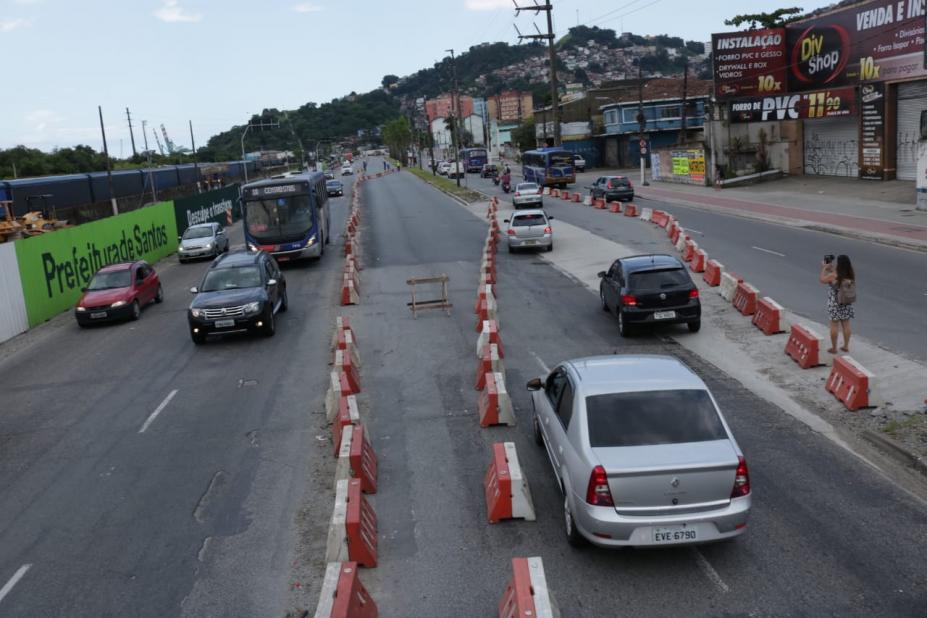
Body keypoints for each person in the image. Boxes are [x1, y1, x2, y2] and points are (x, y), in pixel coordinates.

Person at [819, 254, 855, 354]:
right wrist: (830, 269)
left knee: (834, 325)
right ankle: (846, 346)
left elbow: (822, 279)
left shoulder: (833, 275)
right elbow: (837, 276)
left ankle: (834, 348)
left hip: (835, 303)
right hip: (846, 302)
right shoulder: (850, 274)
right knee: (846, 324)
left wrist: (824, 268)